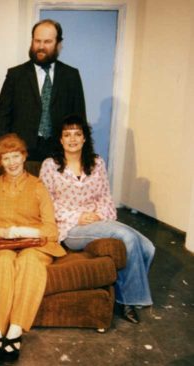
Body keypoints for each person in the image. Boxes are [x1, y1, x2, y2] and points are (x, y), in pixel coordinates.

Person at [39, 114, 155, 324]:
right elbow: (45, 204)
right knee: (127, 238)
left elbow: (105, 196)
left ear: (84, 139)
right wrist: (78, 216)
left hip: (98, 221)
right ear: (60, 139)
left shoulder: (97, 163)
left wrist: (99, 216)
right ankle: (127, 300)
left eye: (77, 134)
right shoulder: (50, 166)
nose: (72, 139)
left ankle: (123, 288)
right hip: (70, 228)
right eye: (67, 135)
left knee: (148, 247)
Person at [0, 133, 66, 364]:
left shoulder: (38, 186)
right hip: (4, 243)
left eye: (16, 156)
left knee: (29, 262)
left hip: (36, 244)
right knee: (0, 264)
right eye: (6, 157)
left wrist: (24, 231)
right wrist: (4, 233)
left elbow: (51, 228)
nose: (11, 162)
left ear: (24, 156)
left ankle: (15, 331)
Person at [0, 19, 86, 161]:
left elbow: (79, 118)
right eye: (37, 41)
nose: (41, 46)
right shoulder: (16, 75)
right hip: (21, 152)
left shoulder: (71, 75)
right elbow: (2, 117)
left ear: (58, 44)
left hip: (60, 151)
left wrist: (81, 154)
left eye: (47, 41)